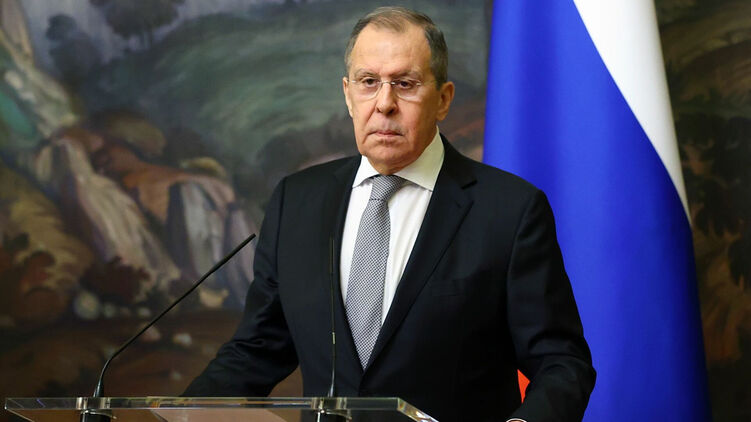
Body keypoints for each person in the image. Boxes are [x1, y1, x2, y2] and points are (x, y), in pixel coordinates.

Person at [185, 6, 595, 422]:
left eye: (405, 84)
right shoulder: (297, 201)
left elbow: (561, 362)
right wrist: (180, 413)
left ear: (443, 100)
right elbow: (257, 349)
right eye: (368, 82)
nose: (384, 104)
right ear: (348, 95)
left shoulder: (509, 209)